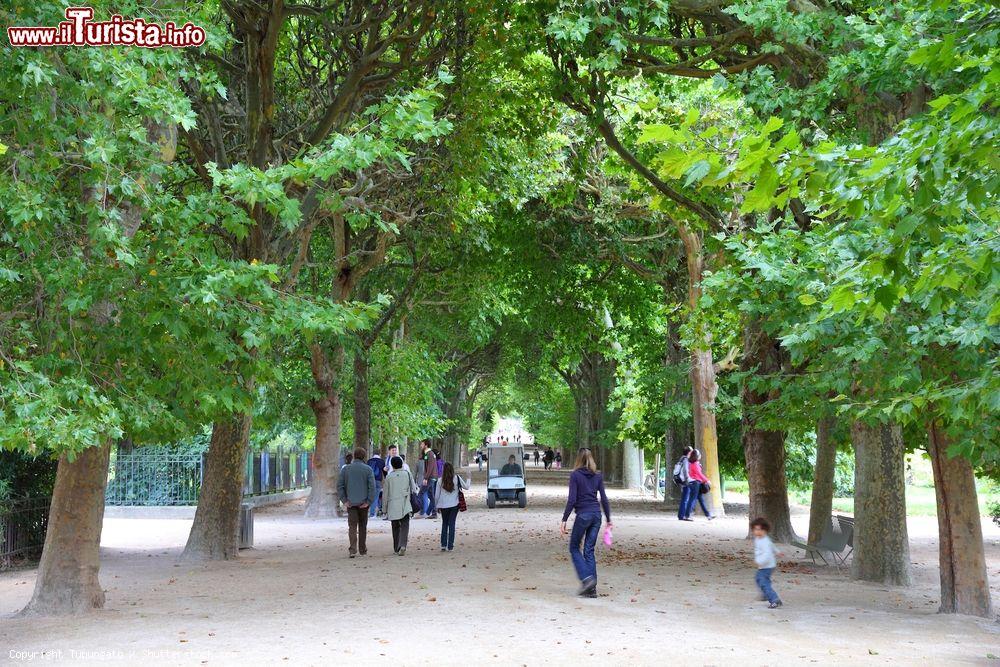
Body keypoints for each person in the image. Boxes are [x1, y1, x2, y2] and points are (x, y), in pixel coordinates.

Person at [560, 449, 612, 598]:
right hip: (596, 515)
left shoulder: (575, 475)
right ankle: (592, 589)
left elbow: (572, 500)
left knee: (574, 547)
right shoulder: (597, 476)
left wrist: (564, 519)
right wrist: (608, 519)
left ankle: (587, 579)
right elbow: (604, 499)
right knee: (589, 550)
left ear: (578, 460)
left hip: (583, 515)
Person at [337, 447, 376, 558]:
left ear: (354, 456)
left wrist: (344, 500)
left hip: (351, 502)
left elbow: (340, 486)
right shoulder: (368, 469)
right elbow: (372, 487)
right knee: (363, 526)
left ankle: (352, 549)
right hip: (364, 503)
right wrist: (369, 501)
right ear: (364, 456)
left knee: (352, 526)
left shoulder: (346, 469)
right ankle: (362, 549)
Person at [383, 456, 418, 555]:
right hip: (405, 502)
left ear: (392, 465)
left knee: (395, 527)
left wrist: (384, 509)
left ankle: (396, 548)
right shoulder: (407, 474)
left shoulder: (389, 477)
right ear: (402, 464)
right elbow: (414, 489)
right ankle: (403, 545)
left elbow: (385, 494)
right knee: (405, 525)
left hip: (393, 504)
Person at [434, 461, 469, 552]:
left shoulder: (439, 481)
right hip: (454, 505)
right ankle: (450, 545)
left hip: (443, 505)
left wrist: (436, 506)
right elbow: (466, 487)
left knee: (445, 523)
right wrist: (469, 478)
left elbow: (437, 496)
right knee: (452, 524)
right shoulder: (457, 478)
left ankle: (443, 544)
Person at [751, 517, 783, 608]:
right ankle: (766, 594)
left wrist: (759, 562)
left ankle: (774, 599)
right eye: (755, 529)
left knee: (763, 581)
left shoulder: (764, 541)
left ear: (765, 530)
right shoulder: (759, 539)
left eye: (759, 529)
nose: (757, 531)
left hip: (767, 566)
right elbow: (772, 546)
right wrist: (777, 551)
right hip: (765, 565)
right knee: (760, 579)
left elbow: (767, 554)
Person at [683, 449, 714, 520]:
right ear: (696, 456)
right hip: (695, 483)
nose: (700, 455)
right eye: (699, 454)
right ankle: (687, 515)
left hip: (695, 483)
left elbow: (693, 473)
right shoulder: (696, 463)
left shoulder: (692, 463)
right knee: (692, 499)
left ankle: (708, 515)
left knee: (701, 500)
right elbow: (699, 474)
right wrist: (707, 480)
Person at [675, 446, 696, 521]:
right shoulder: (686, 460)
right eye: (692, 451)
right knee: (686, 498)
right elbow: (685, 471)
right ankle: (683, 515)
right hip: (685, 481)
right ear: (689, 452)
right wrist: (688, 480)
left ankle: (681, 515)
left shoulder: (681, 458)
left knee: (684, 498)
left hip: (681, 480)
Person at [418, 440, 438, 519]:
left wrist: (426, 478)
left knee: (420, 493)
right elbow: (420, 457)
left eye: (422, 444)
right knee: (431, 495)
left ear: (426, 445)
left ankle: (422, 511)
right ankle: (434, 513)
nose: (420, 446)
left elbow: (430, 467)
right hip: (431, 477)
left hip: (430, 477)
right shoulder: (427, 453)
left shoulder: (430, 454)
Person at [367, 450, 384, 518]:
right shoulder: (381, 461)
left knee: (370, 497)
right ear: (380, 454)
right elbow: (384, 472)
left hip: (370, 481)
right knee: (376, 497)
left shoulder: (369, 461)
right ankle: (372, 513)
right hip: (378, 481)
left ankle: (369, 512)